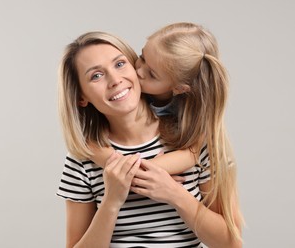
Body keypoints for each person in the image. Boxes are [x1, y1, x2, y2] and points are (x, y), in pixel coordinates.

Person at [56, 31, 212, 247]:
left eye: (119, 64)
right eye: (96, 76)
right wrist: (112, 200)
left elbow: (230, 243)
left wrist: (175, 194)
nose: (114, 80)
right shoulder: (82, 159)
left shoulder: (189, 137)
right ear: (81, 97)